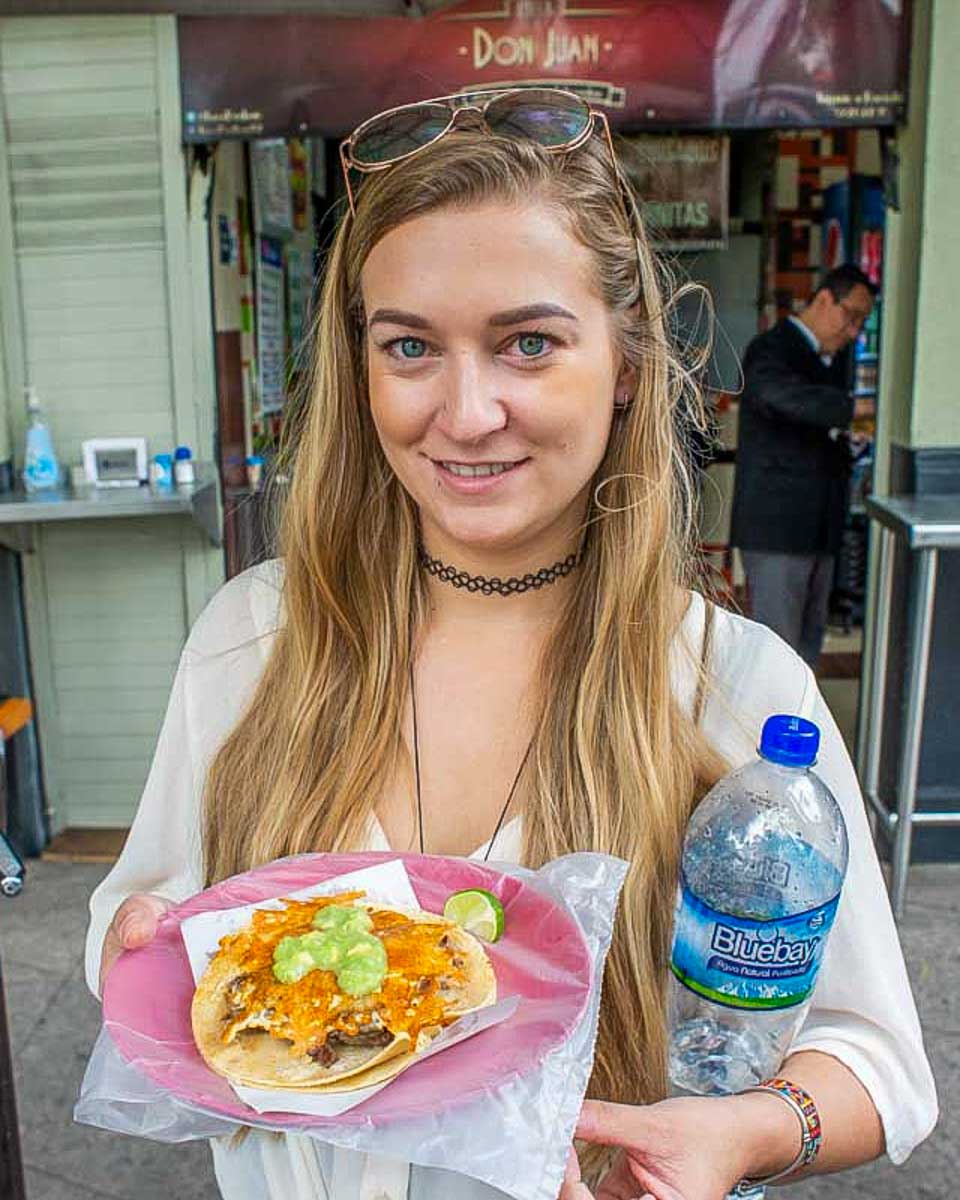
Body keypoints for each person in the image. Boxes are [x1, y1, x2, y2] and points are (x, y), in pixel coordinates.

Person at [86, 91, 934, 1200]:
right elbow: (138, 923)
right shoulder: (256, 635)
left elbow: (877, 1063)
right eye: (410, 347)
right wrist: (135, 950)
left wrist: (750, 1131)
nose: (467, 412)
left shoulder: (732, 686)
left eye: (528, 343)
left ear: (625, 363)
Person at [730, 264, 877, 665]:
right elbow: (784, 397)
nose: (854, 332)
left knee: (808, 647)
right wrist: (854, 410)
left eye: (861, 322)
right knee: (776, 652)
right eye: (851, 317)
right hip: (777, 528)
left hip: (821, 526)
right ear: (824, 299)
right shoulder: (770, 349)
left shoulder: (835, 360)